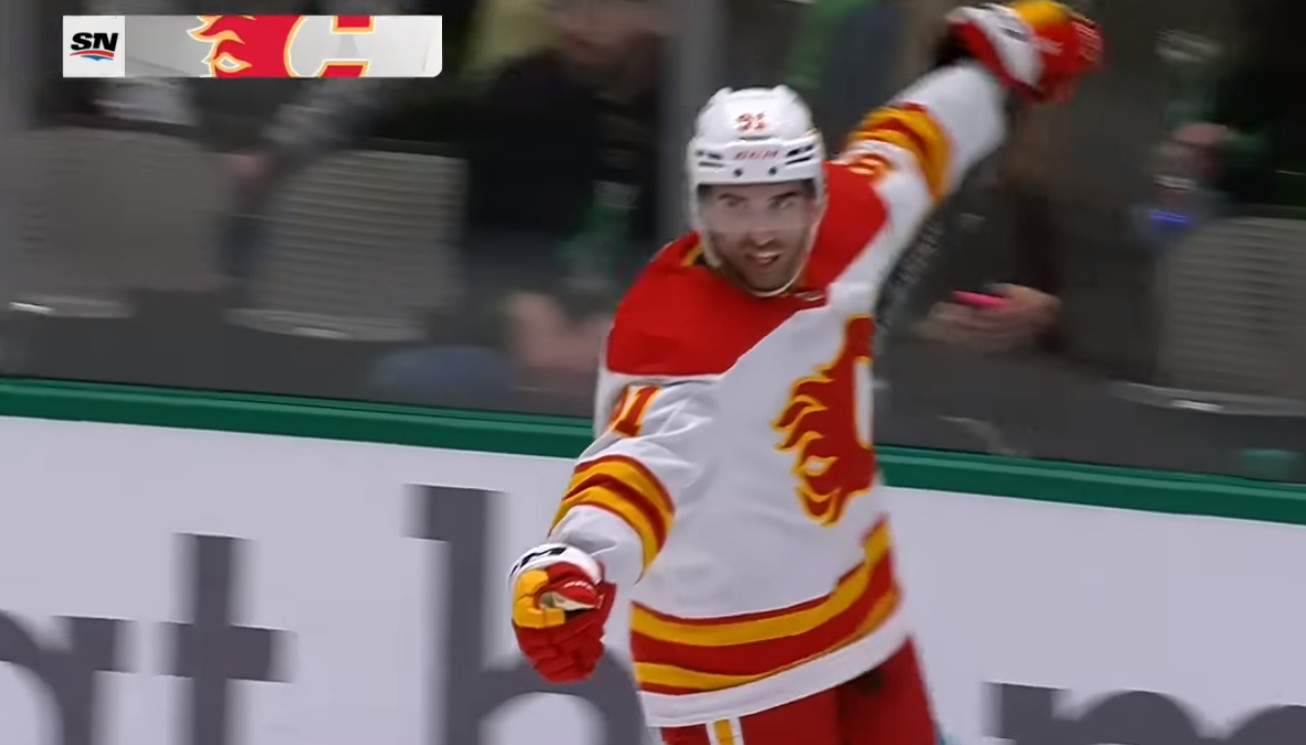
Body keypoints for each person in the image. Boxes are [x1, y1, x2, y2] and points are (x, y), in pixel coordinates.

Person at [505, 2, 1101, 743]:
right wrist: (577, 562)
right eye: (734, 204)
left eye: (781, 201)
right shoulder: (676, 332)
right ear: (699, 207)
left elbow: (911, 142)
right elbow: (635, 464)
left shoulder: (851, 219)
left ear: (816, 196)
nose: (760, 231)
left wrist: (996, 61)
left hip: (858, 612)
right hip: (733, 665)